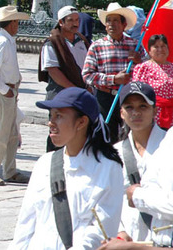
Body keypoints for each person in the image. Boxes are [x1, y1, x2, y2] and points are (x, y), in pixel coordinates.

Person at [10, 87, 124, 249]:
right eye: (51, 116)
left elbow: (101, 231)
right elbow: (26, 223)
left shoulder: (108, 168)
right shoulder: (44, 163)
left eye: (59, 116)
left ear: (81, 122)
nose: (51, 122)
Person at [82, 2, 145, 143]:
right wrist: (114, 79)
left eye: (115, 20)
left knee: (129, 137)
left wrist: (140, 61)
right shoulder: (97, 46)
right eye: (108, 21)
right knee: (105, 137)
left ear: (124, 24)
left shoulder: (135, 45)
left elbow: (148, 71)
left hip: (129, 98)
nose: (111, 24)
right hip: (105, 99)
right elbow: (87, 75)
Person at [0, 6, 30, 186]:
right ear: (10, 23)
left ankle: (10, 170)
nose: (17, 25)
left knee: (11, 134)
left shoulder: (7, 40)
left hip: (9, 91)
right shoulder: (1, 41)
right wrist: (5, 90)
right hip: (3, 92)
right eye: (16, 22)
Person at [113, 81, 165, 243]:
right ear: (121, 113)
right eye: (129, 107)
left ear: (154, 111)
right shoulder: (115, 153)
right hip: (127, 239)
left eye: (143, 106)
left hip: (163, 237)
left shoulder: (168, 147)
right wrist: (120, 231)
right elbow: (111, 198)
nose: (136, 113)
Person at [39, 5, 91, 151]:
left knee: (78, 130)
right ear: (61, 22)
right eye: (70, 20)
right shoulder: (52, 42)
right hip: (60, 94)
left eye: (77, 20)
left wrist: (87, 87)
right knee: (57, 131)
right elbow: (53, 71)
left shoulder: (81, 41)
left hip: (80, 93)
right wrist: (73, 89)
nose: (75, 23)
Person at [132, 34, 173, 129]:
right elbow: (138, 92)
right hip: (153, 114)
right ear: (149, 51)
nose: (160, 49)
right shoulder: (143, 68)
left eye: (163, 46)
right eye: (156, 47)